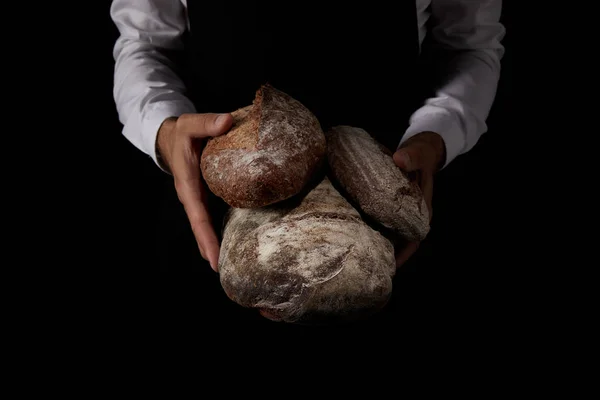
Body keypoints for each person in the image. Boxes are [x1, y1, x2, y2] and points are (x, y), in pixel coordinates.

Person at [110, 0, 505, 272]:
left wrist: (436, 136)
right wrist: (163, 129)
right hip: (214, 215)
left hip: (390, 204)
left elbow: (469, 45)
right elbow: (145, 44)